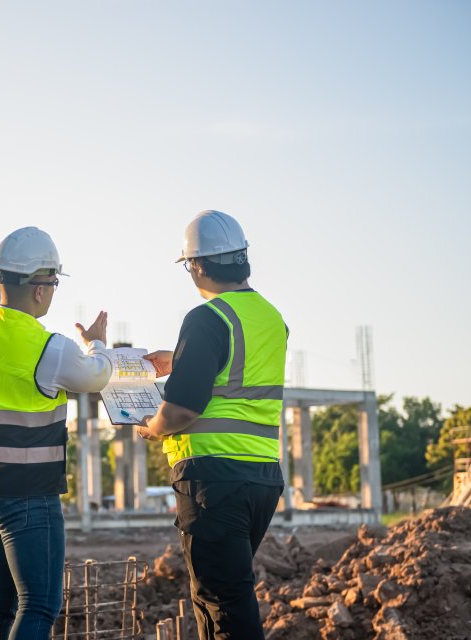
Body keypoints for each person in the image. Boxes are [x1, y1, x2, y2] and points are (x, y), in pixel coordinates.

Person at [0, 226, 113, 640]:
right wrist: (97, 343)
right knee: (39, 605)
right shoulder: (51, 349)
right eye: (54, 282)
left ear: (1, 278)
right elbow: (97, 375)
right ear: (41, 290)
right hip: (26, 496)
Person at [137, 210, 288, 640]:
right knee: (216, 595)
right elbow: (237, 375)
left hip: (212, 479)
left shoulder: (206, 318)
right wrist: (182, 359)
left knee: (224, 603)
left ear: (197, 265)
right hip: (261, 476)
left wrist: (153, 426)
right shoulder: (272, 318)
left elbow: (182, 408)